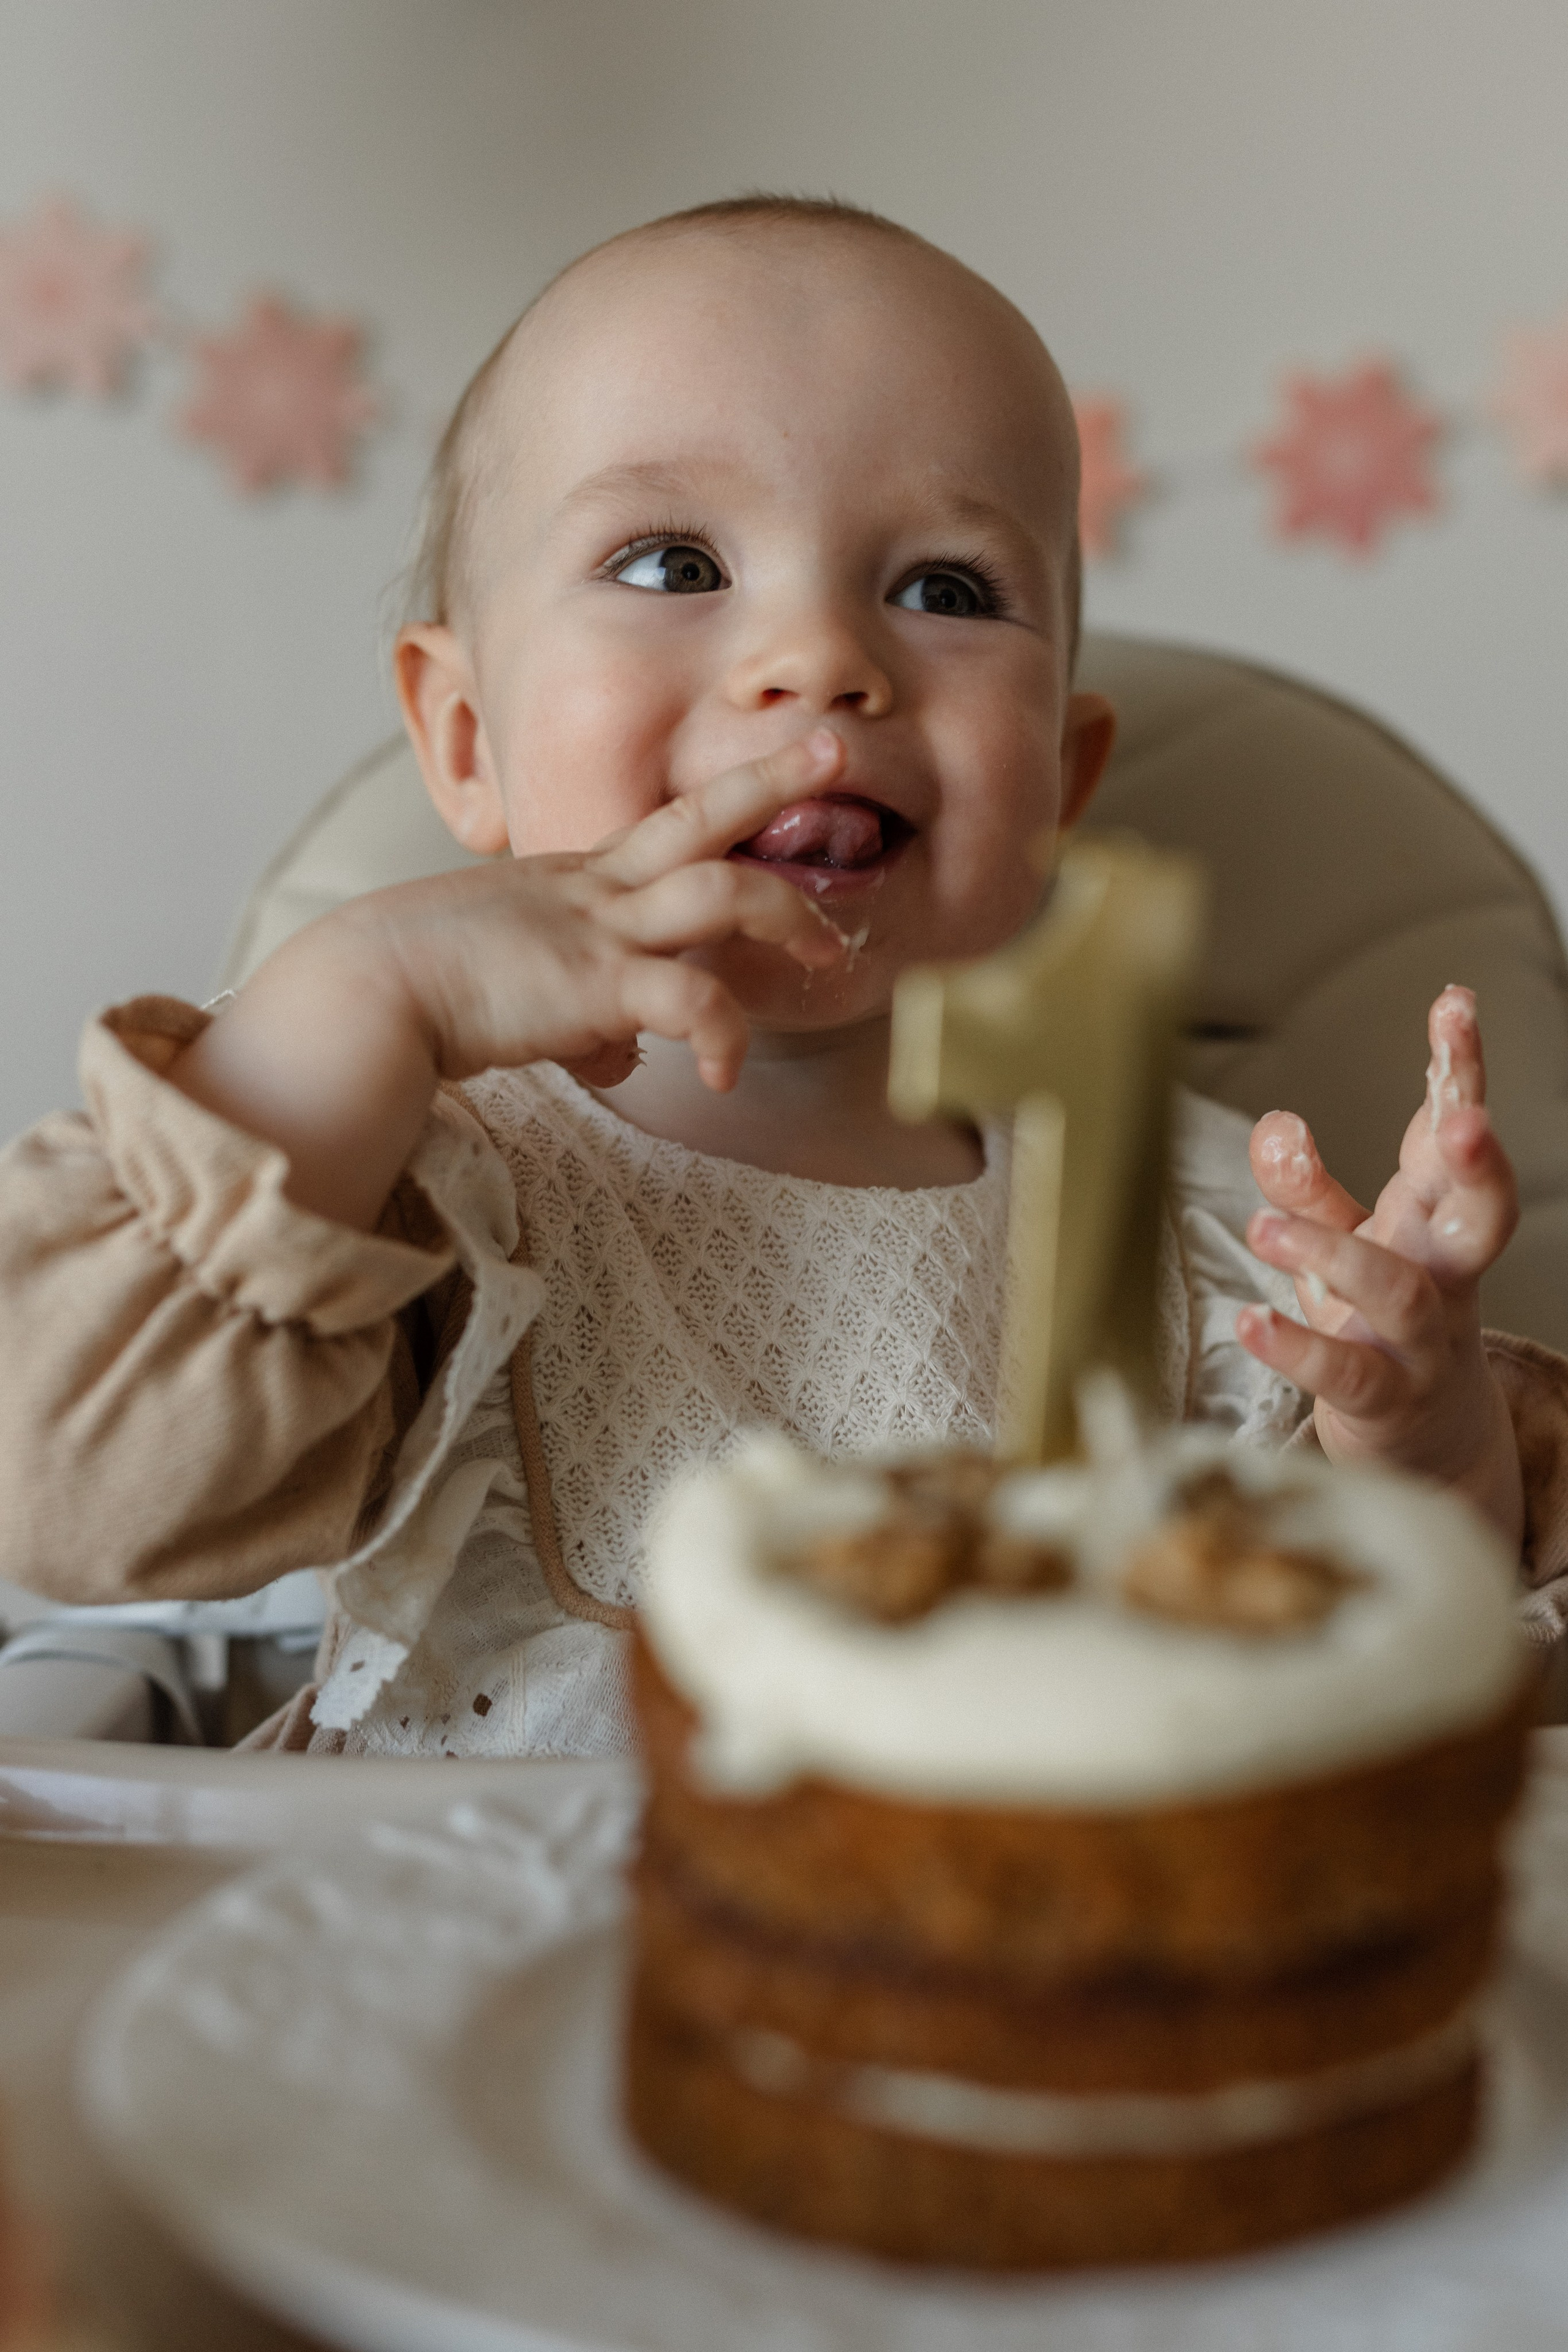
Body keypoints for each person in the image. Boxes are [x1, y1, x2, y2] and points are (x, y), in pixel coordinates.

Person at [2, 197, 1564, 1758]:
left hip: (1016, 1977)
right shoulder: (407, 1178)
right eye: (672, 560)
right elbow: (63, 1495)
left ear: (1062, 786)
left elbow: (1391, 1696)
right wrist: (358, 1002)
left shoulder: (1195, 1231)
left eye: (943, 589)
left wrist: (1413, 1444)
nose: (819, 658)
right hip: (472, 1960)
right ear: (465, 742)